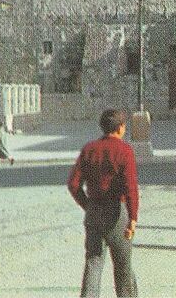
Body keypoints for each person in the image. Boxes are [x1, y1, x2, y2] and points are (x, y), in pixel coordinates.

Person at [67, 109, 139, 298]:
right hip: (117, 213)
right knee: (123, 267)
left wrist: (87, 205)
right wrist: (133, 218)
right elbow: (130, 187)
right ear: (121, 128)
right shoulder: (125, 151)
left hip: (94, 213)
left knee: (93, 263)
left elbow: (73, 184)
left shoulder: (89, 149)